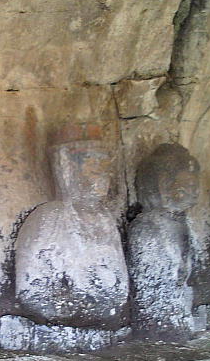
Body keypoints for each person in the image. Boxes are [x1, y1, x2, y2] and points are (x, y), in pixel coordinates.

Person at [15, 123, 129, 330]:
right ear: (68, 170)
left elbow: (119, 282)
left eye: (105, 171)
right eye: (94, 170)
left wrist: (108, 300)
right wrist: (71, 304)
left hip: (104, 314)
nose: (102, 178)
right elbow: (30, 289)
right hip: (63, 316)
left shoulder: (105, 219)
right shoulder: (51, 216)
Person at [127, 143, 198, 338]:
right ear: (163, 184)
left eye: (196, 185)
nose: (196, 191)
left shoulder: (180, 223)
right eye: (190, 185)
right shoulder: (147, 226)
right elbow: (153, 286)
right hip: (158, 321)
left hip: (180, 315)